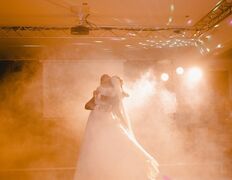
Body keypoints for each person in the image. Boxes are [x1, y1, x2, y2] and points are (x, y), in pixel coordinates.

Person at [74, 75, 159, 180]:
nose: (103, 83)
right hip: (97, 123)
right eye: (102, 81)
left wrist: (101, 104)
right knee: (98, 149)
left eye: (106, 81)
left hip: (105, 123)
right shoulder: (99, 92)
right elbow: (87, 106)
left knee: (117, 145)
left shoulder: (111, 96)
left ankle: (123, 170)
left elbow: (111, 108)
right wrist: (97, 104)